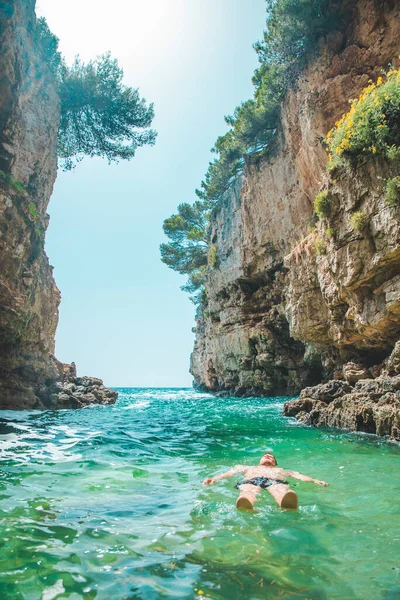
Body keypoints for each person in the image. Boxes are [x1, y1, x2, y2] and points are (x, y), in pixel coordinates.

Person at [202, 452, 328, 510]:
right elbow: (230, 473)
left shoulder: (282, 470)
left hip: (275, 481)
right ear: (260, 460)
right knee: (248, 490)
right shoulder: (247, 467)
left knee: (279, 490)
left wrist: (315, 481)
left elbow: (299, 475)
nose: (268, 456)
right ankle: (246, 503)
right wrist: (215, 479)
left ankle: (285, 503)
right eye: (265, 455)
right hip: (251, 481)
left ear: (275, 463)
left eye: (271, 457)